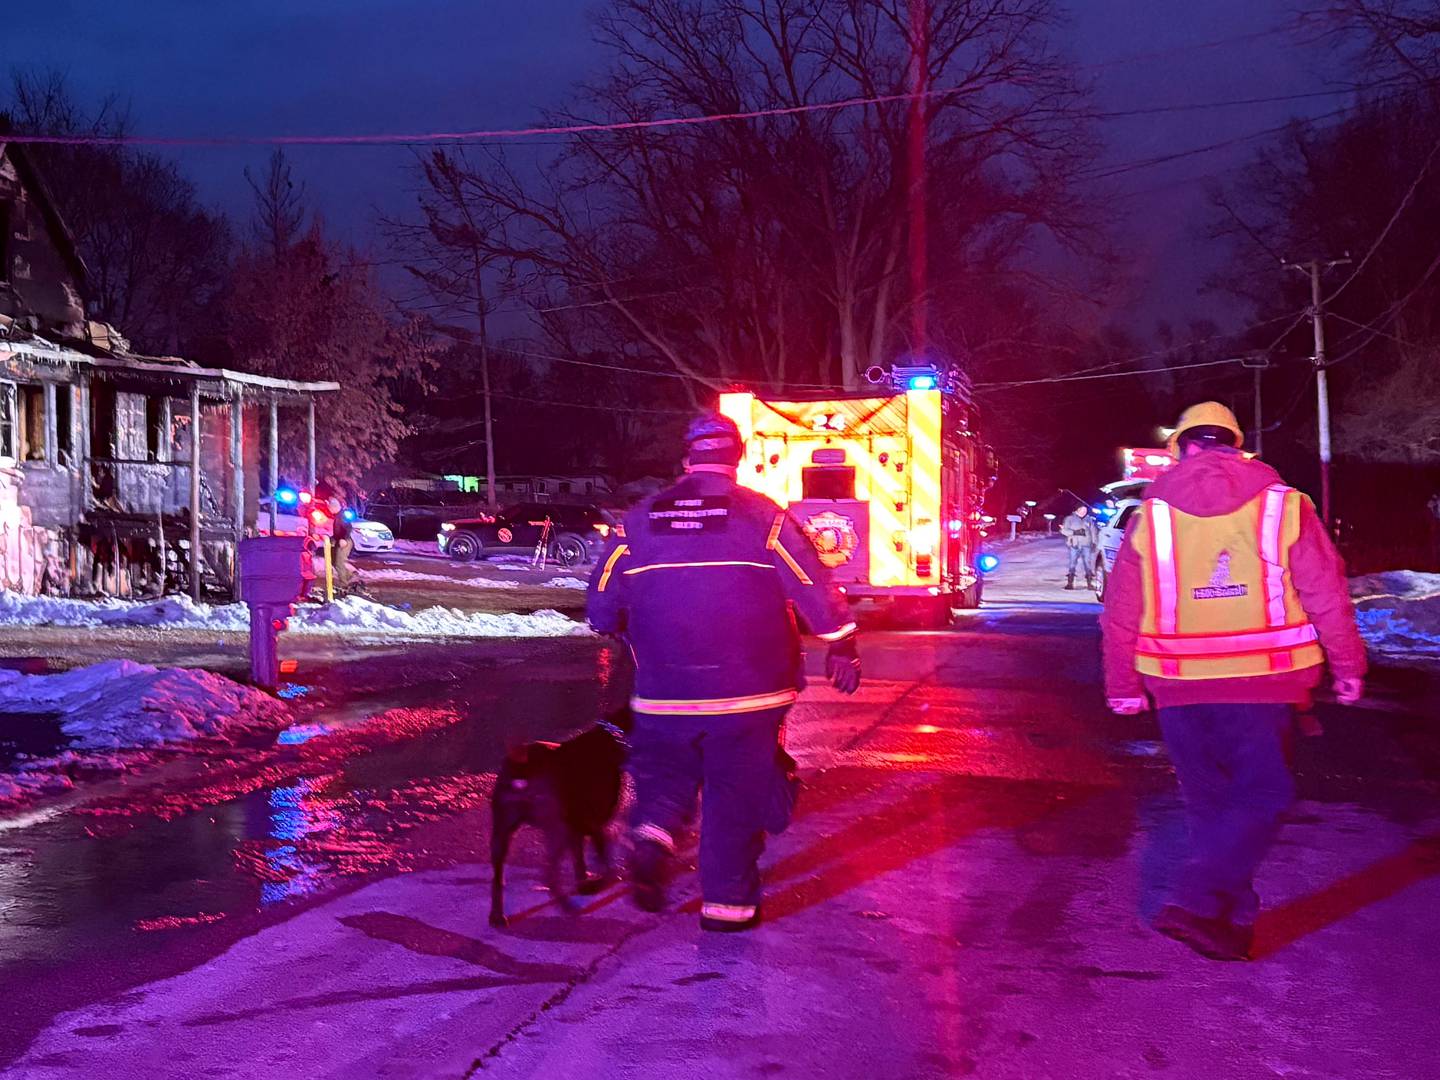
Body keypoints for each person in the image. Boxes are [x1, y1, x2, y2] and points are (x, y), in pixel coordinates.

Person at [1100, 401, 1366, 961]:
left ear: (1184, 447)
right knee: (1264, 794)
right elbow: (1326, 593)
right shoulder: (1284, 505)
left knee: (1211, 806)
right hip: (1264, 684)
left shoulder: (1153, 516)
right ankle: (1196, 900)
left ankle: (1229, 923)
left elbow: (1122, 609)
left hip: (1176, 688)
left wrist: (1122, 682)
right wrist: (1347, 666)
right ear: (1235, 445)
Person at [586, 413, 861, 932]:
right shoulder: (763, 516)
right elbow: (810, 583)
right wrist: (842, 643)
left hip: (664, 692)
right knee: (734, 790)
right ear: (736, 458)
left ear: (686, 458)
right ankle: (727, 907)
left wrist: (624, 624)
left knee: (665, 772)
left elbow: (600, 605)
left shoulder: (637, 520)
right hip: (750, 694)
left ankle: (651, 836)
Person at [314, 479, 353, 594]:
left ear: (335, 507)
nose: (329, 510)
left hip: (345, 542)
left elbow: (348, 528)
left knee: (339, 562)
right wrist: (330, 539)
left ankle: (344, 584)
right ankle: (350, 576)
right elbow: (337, 533)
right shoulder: (337, 517)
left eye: (330, 507)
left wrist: (344, 539)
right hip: (339, 541)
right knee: (334, 561)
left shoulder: (341, 516)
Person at [1060, 504, 1099, 590]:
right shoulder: (1070, 519)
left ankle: (1090, 583)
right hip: (1074, 544)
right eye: (1082, 510)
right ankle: (1070, 583)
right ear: (1077, 510)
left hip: (1086, 544)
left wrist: (1094, 542)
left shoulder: (1089, 520)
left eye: (1085, 510)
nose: (1084, 512)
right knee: (1072, 564)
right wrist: (1075, 532)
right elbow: (1064, 530)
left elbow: (1093, 531)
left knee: (1088, 564)